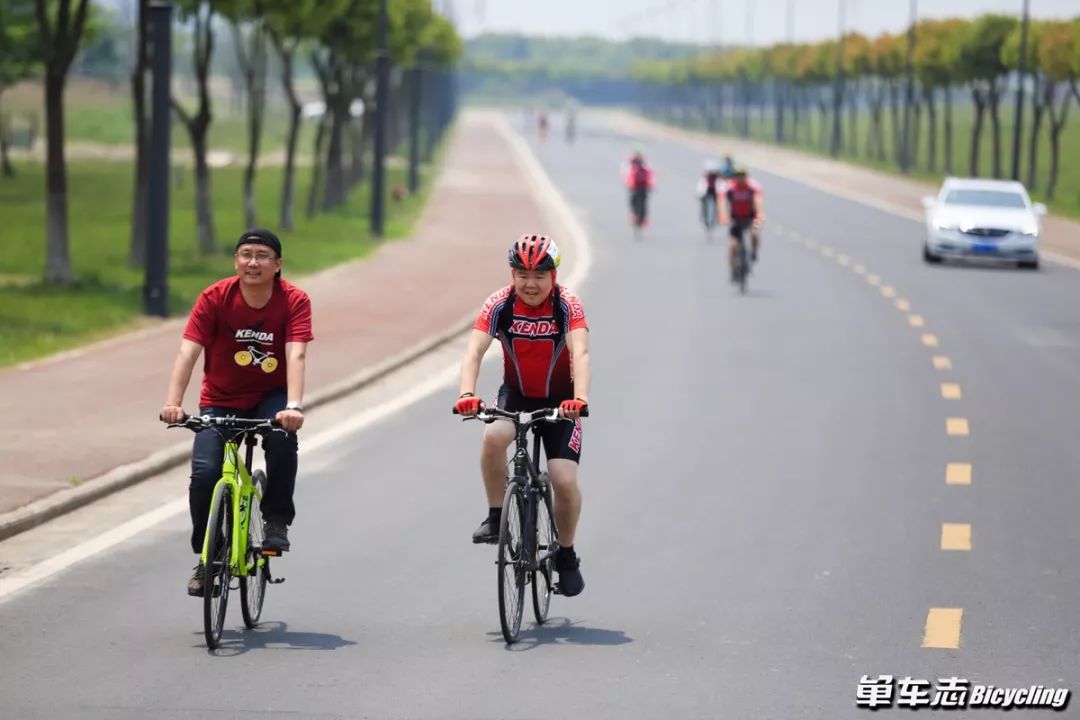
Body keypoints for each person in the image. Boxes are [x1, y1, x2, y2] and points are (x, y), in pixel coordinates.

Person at [160, 228, 313, 597]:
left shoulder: (293, 299)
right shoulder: (215, 297)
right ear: (236, 261)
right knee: (205, 473)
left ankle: (276, 520)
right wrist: (174, 403)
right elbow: (188, 352)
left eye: (262, 256)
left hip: (271, 396)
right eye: (246, 254)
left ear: (278, 265)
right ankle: (209, 555)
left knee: (281, 440)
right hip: (221, 396)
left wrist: (292, 406)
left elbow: (296, 353)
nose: (253, 262)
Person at [454, 234, 591, 597]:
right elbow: (473, 352)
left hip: (562, 401)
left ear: (554, 276)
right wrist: (467, 393)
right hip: (516, 395)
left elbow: (582, 352)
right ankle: (497, 516)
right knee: (493, 437)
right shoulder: (499, 304)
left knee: (563, 478)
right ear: (512, 275)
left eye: (539, 276)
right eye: (522, 275)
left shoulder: (568, 305)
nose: (530, 284)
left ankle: (566, 553)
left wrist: (579, 399)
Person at [718, 166, 765, 279]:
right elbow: (722, 202)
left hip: (750, 216)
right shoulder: (728, 187)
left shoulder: (753, 186)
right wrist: (723, 216)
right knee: (733, 246)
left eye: (742, 176)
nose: (740, 178)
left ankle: (753, 253)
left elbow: (758, 201)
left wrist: (759, 215)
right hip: (735, 217)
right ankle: (733, 269)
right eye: (738, 176)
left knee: (754, 234)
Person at [623, 149, 655, 227]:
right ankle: (636, 216)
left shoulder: (643, 165)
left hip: (640, 186)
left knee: (641, 203)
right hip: (637, 186)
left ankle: (641, 218)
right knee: (636, 201)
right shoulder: (632, 164)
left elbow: (650, 175)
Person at [696, 159, 724, 228]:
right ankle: (703, 215)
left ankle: (717, 217)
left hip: (715, 192)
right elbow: (701, 185)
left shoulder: (718, 176)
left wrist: (722, 194)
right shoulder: (705, 176)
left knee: (718, 205)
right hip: (706, 192)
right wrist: (699, 193)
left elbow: (722, 185)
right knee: (704, 204)